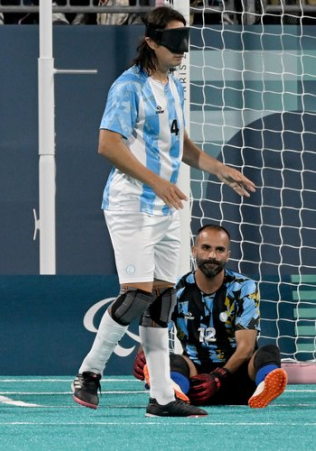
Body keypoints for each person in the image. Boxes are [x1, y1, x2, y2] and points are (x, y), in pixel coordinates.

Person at [71, 6, 256, 417]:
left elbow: (182, 146)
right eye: (173, 43)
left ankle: (163, 397)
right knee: (137, 295)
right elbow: (108, 144)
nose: (182, 51)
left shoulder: (174, 85)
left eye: (184, 41)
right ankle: (89, 372)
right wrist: (156, 181)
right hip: (131, 205)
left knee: (162, 302)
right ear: (152, 43)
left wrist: (220, 169)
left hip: (167, 208)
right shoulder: (127, 87)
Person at [133, 225, 288, 408]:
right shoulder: (175, 290)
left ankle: (264, 387)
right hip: (194, 382)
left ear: (227, 255)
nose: (212, 256)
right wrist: (144, 355)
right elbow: (155, 333)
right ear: (194, 250)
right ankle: (173, 387)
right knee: (171, 359)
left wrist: (219, 376)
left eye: (219, 249)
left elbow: (246, 348)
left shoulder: (244, 287)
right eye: (206, 248)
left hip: (237, 378)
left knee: (268, 352)